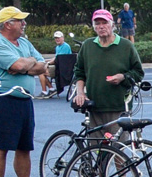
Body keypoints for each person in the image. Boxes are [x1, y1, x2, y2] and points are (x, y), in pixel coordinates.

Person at [0, 7, 49, 177]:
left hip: (24, 99)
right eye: (20, 20)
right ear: (8, 24)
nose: (24, 24)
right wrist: (26, 66)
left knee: (24, 146)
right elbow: (20, 66)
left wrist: (25, 65)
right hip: (3, 98)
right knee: (1, 146)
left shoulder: (24, 42)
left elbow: (42, 65)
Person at [72, 9, 144, 139]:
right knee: (98, 151)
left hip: (118, 107)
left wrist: (122, 77)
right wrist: (80, 93)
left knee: (118, 152)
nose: (101, 26)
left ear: (112, 25)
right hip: (94, 107)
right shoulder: (88, 46)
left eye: (104, 23)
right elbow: (79, 72)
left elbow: (138, 73)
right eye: (97, 23)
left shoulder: (126, 45)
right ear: (94, 27)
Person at [42, 30, 71, 96]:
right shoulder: (57, 47)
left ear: (62, 38)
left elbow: (58, 59)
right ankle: (51, 89)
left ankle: (46, 91)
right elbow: (55, 58)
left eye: (58, 38)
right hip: (58, 66)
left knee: (41, 72)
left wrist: (48, 63)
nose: (57, 39)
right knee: (42, 68)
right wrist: (45, 61)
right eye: (56, 38)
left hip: (63, 69)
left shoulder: (66, 46)